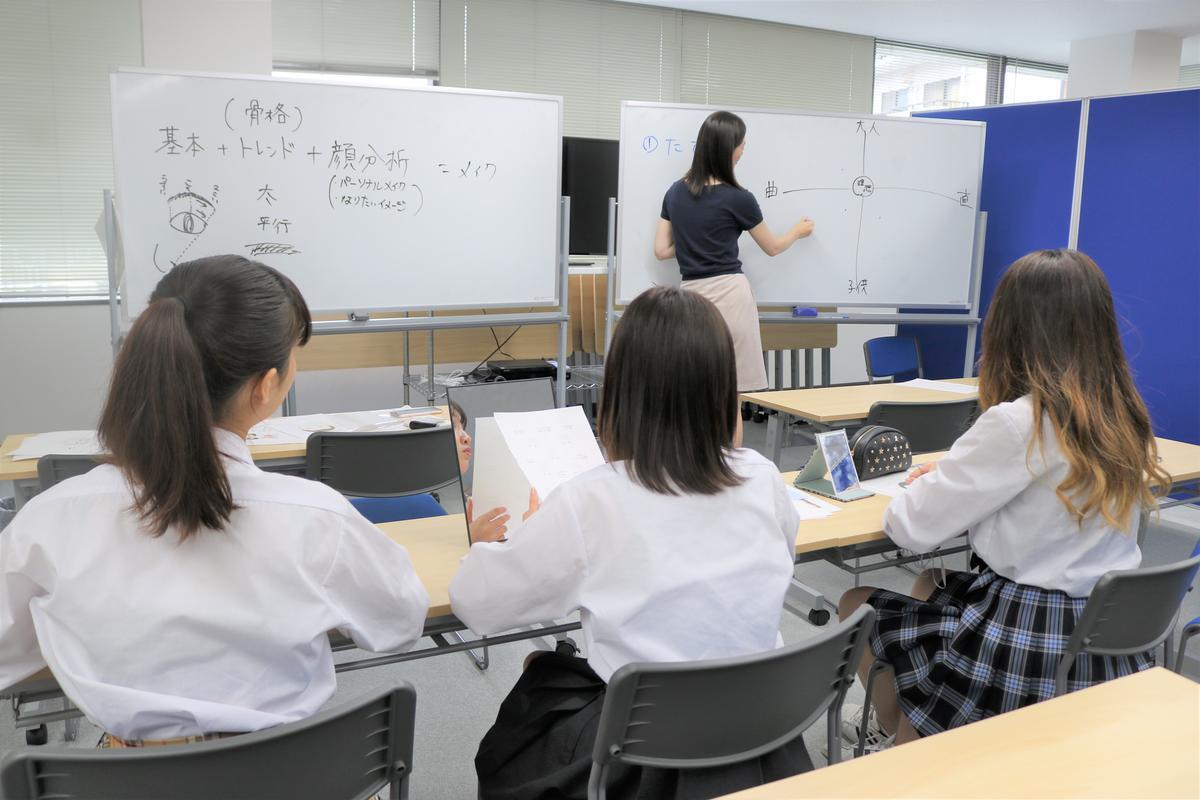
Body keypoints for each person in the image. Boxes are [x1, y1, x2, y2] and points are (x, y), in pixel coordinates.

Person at [0, 255, 429, 746]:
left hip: (128, 781)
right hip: (295, 778)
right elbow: (400, 624)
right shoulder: (316, 517)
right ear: (266, 387)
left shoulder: (51, 518)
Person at [450, 285, 805, 799]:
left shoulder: (590, 500)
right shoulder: (764, 478)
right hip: (760, 735)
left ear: (622, 393)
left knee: (542, 676)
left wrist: (499, 541)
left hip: (642, 764)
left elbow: (477, 604)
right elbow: (783, 563)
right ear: (723, 390)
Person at [837, 249, 1167, 752]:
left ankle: (896, 741)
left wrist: (934, 482)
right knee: (932, 582)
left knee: (856, 603)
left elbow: (909, 527)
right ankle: (908, 730)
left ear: (1011, 330)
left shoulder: (1019, 422)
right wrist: (959, 474)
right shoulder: (1122, 416)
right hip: (1100, 632)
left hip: (1024, 636)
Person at [655, 110, 814, 392]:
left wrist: (696, 234)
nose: (743, 151)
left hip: (691, 298)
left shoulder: (675, 192)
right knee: (734, 390)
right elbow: (773, 248)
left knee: (697, 386)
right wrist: (797, 231)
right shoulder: (739, 198)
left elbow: (662, 250)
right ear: (730, 151)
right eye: (742, 145)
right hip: (731, 296)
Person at [450, 400, 537, 543]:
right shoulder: (426, 509)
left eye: (463, 427)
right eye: (454, 426)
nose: (467, 438)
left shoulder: (468, 503)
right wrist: (471, 541)